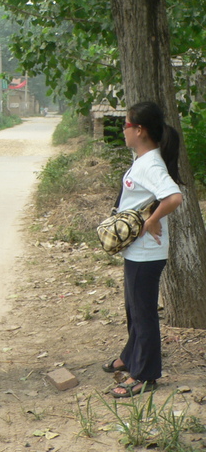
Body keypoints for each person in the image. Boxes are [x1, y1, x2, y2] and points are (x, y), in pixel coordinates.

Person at [102, 101, 183, 398]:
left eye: (125, 125)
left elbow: (174, 197)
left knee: (144, 313)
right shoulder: (143, 159)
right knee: (134, 309)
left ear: (139, 130)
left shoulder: (150, 164)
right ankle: (129, 355)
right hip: (138, 252)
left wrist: (151, 220)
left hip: (147, 254)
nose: (123, 130)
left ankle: (145, 374)